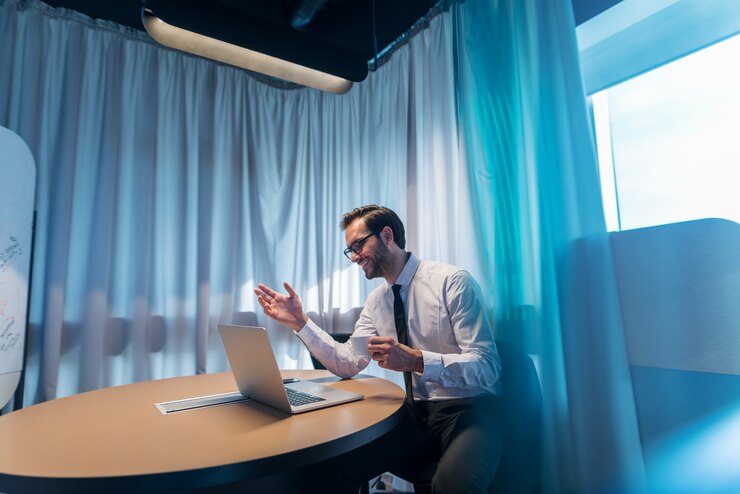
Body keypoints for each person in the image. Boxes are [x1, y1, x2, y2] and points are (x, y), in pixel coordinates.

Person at [255, 205, 504, 494]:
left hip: (470, 409)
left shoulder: (452, 281)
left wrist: (418, 360)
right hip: (416, 414)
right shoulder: (377, 301)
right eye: (350, 250)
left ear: (387, 235)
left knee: (453, 487)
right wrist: (300, 322)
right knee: (329, 464)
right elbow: (347, 362)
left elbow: (487, 367)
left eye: (358, 245)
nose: (355, 257)